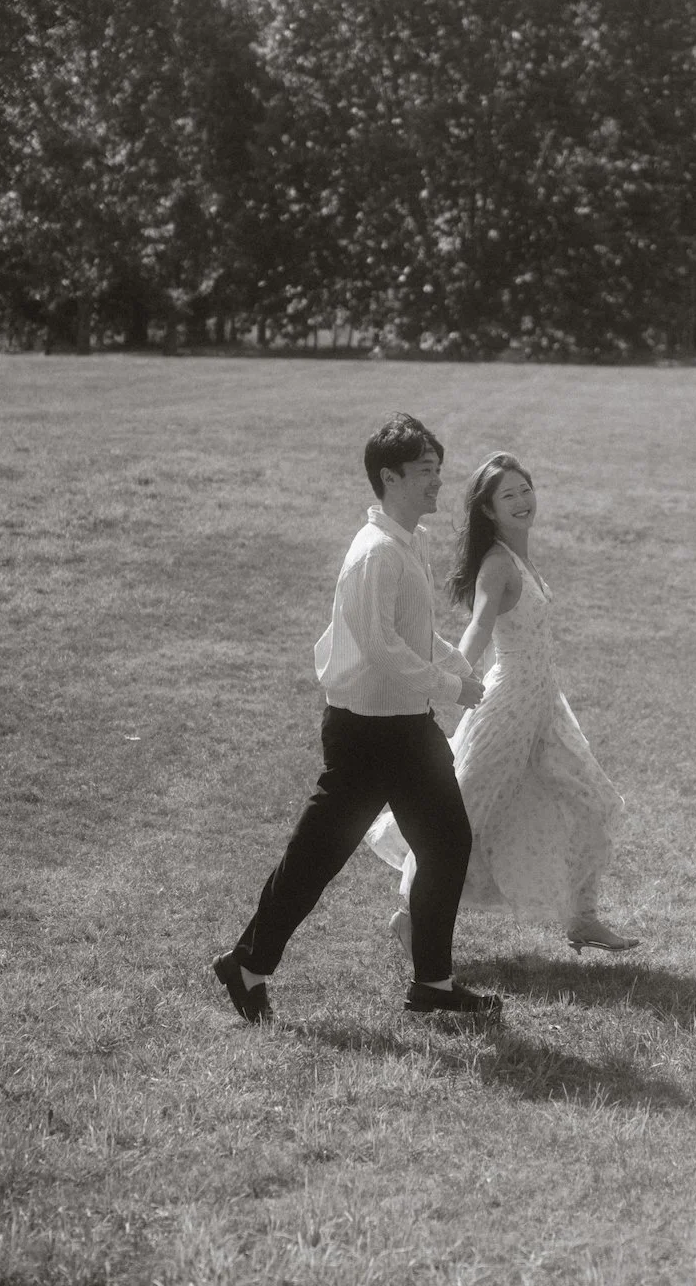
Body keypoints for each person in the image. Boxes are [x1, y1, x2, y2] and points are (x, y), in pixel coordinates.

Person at [212, 414, 502, 1023]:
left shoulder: (407, 544)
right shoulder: (375, 554)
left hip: (405, 727)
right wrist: (450, 686)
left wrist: (455, 667)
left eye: (438, 470)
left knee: (446, 843)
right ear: (388, 477)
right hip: (369, 733)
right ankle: (247, 964)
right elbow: (381, 648)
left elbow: (412, 634)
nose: (437, 482)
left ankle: (433, 984)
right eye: (424, 471)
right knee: (319, 855)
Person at [367, 451, 639, 959]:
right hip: (509, 707)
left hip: (545, 706)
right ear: (489, 510)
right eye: (507, 495)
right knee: (463, 813)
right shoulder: (497, 563)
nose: (521, 500)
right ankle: (409, 916)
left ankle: (583, 919)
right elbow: (479, 626)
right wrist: (448, 680)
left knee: (591, 802)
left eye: (525, 489)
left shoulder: (520, 557)